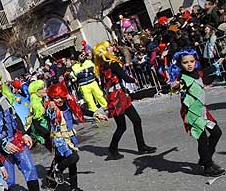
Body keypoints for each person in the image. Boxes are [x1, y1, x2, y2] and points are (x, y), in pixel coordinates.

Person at [93, 41, 157, 160]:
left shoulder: (101, 66)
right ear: (105, 51)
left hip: (115, 96)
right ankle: (114, 148)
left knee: (133, 121)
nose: (112, 48)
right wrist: (134, 80)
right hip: (118, 96)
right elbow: (125, 77)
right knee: (124, 125)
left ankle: (141, 146)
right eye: (109, 47)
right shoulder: (112, 64)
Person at [170, 49, 225, 177]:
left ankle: (206, 159)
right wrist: (175, 86)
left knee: (217, 132)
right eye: (185, 62)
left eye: (192, 61)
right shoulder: (182, 78)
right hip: (192, 113)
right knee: (202, 139)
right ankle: (207, 167)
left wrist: (220, 61)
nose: (189, 64)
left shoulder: (197, 73)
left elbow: (207, 70)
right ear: (180, 64)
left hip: (202, 110)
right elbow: (177, 86)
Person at [45, 83, 86, 191]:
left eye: (61, 97)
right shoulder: (51, 107)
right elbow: (47, 111)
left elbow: (80, 111)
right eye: (56, 97)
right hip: (59, 141)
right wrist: (50, 105)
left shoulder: (68, 104)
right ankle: (57, 170)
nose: (59, 100)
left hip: (70, 137)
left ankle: (73, 188)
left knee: (71, 163)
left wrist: (95, 113)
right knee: (73, 158)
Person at [71, 50, 108, 119]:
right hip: (83, 85)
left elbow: (92, 69)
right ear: (77, 58)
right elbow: (78, 74)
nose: (83, 56)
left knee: (99, 95)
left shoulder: (88, 61)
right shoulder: (74, 66)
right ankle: (96, 115)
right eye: (81, 55)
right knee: (89, 100)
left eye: (83, 55)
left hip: (92, 82)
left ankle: (107, 108)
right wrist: (88, 72)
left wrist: (84, 72)